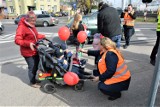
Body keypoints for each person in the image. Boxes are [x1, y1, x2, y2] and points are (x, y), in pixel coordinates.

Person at [15, 11, 45, 88]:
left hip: (35, 50)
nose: (34, 20)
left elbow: (35, 35)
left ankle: (37, 78)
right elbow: (17, 40)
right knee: (32, 67)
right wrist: (29, 44)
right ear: (27, 18)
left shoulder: (32, 25)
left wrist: (43, 36)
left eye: (35, 18)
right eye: (32, 19)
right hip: (27, 52)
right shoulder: (22, 27)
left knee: (38, 65)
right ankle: (32, 82)